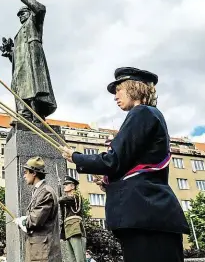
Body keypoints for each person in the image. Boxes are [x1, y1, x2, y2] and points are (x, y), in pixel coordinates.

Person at [61, 67, 190, 262]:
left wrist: (77, 157)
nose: (115, 96)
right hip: (149, 213)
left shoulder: (141, 113)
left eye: (118, 89)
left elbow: (113, 160)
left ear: (133, 87)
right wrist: (109, 183)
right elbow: (134, 164)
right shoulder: (150, 114)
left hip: (145, 214)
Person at [0, 0, 57, 123]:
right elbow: (18, 55)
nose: (20, 16)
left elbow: (41, 9)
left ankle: (37, 115)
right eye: (19, 15)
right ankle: (24, 116)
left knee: (33, 89)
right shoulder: (17, 34)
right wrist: (10, 54)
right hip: (21, 68)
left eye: (23, 13)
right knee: (20, 90)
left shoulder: (34, 22)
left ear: (30, 12)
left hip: (32, 64)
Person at [12, 157, 62, 262]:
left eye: (26, 172)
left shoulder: (45, 192)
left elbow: (35, 220)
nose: (24, 176)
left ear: (34, 173)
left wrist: (22, 221)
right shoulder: (39, 191)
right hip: (39, 251)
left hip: (43, 252)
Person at [59, 176, 86, 262]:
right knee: (71, 259)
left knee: (80, 258)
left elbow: (66, 199)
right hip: (68, 230)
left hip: (76, 229)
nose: (64, 186)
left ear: (73, 186)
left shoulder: (76, 197)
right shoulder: (66, 201)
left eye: (67, 184)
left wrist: (59, 199)